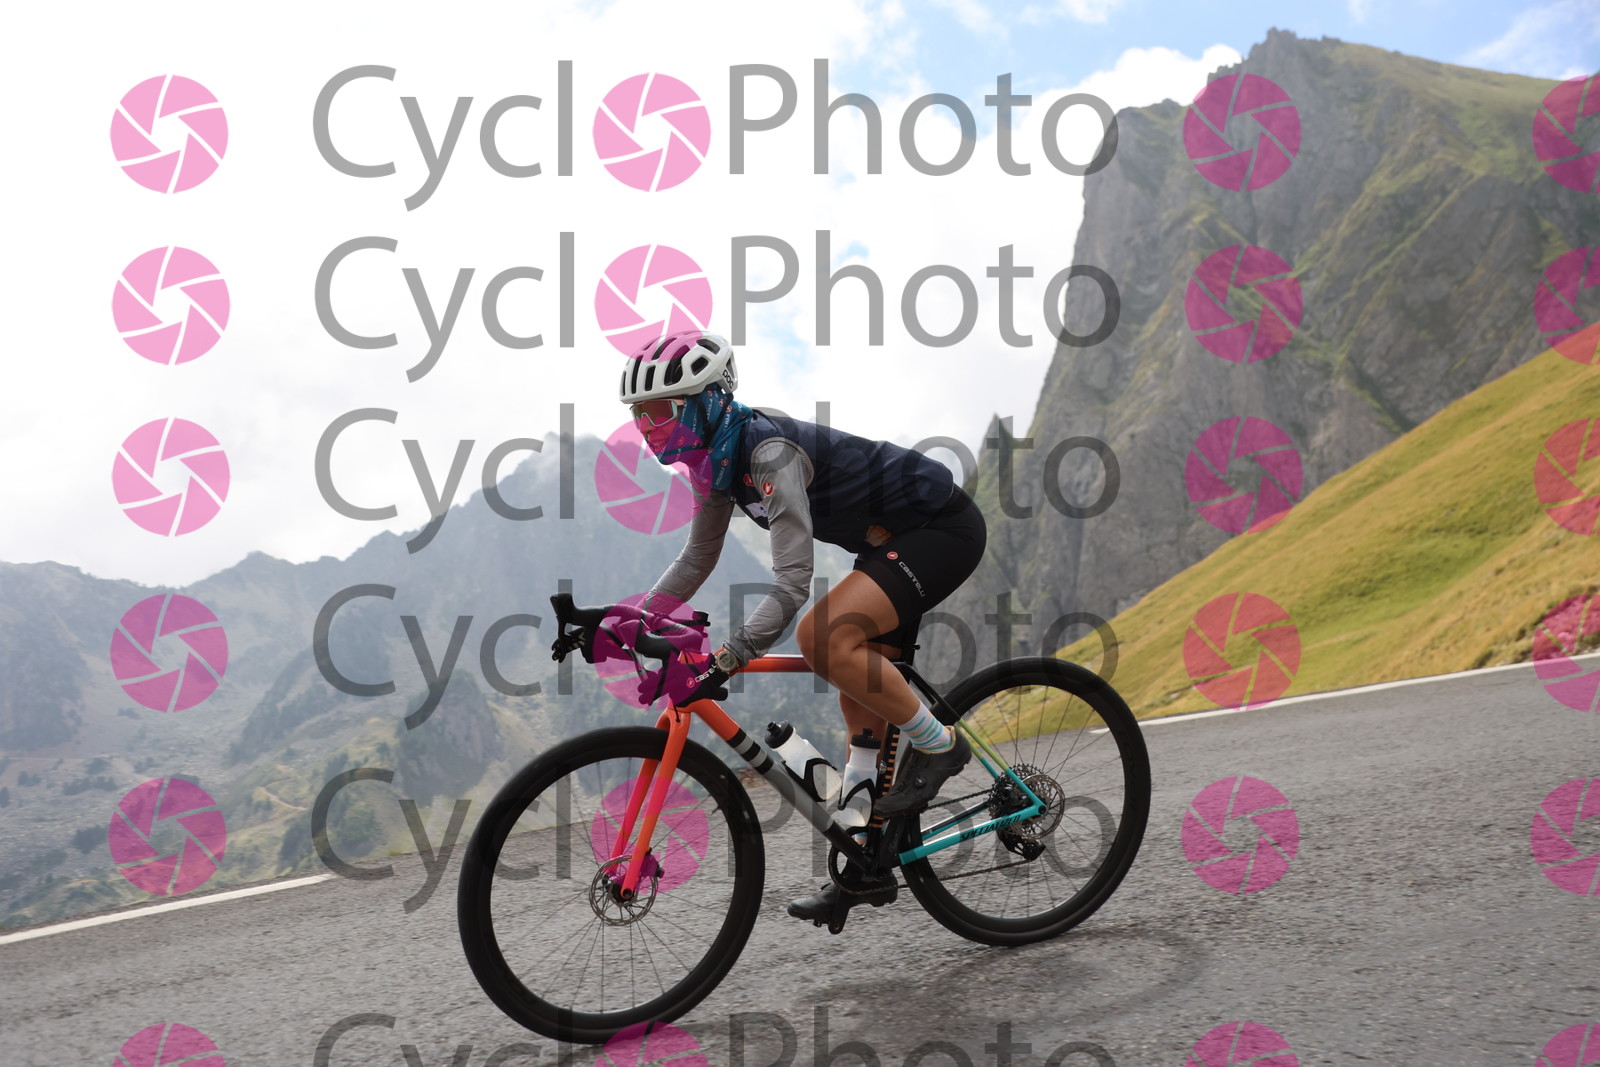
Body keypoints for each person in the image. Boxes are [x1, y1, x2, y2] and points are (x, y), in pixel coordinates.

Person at [622, 330, 988, 922]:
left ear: (708, 401)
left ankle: (940, 745)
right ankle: (865, 867)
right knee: (859, 702)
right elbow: (698, 557)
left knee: (822, 637)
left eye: (660, 409)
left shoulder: (767, 452)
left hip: (940, 529)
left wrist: (730, 656)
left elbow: (793, 584)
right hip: (890, 545)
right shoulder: (715, 463)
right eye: (639, 413)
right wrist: (633, 620)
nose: (648, 426)